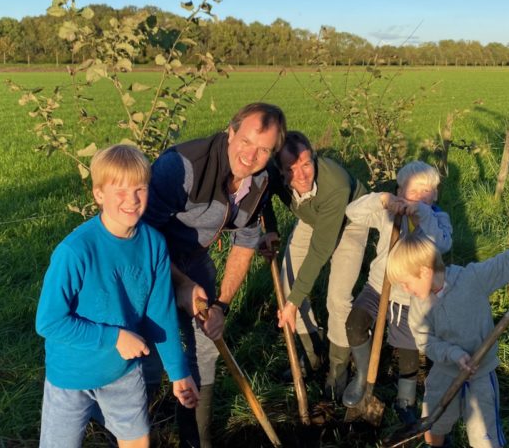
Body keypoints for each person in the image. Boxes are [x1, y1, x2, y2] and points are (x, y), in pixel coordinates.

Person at [142, 103, 286, 447]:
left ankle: (197, 438)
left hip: (194, 259)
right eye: (246, 141)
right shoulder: (182, 167)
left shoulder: (260, 180)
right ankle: (135, 430)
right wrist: (179, 284)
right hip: (146, 262)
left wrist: (220, 304)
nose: (251, 156)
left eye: (264, 149)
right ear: (230, 132)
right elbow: (142, 235)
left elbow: (246, 240)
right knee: (147, 349)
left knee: (205, 347)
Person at [36, 144, 198, 448]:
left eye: (140, 189)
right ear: (99, 194)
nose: (132, 200)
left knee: (137, 442)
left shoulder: (154, 244)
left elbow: (160, 313)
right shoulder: (75, 251)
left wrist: (178, 372)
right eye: (119, 191)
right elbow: (49, 322)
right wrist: (114, 338)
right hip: (71, 375)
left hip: (123, 373)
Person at [386, 234, 509, 448]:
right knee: (433, 427)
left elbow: (505, 263)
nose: (405, 290)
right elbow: (424, 340)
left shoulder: (471, 279)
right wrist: (453, 354)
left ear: (425, 272)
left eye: (406, 284)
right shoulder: (418, 303)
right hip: (444, 374)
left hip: (480, 375)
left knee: (484, 438)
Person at [261, 131, 370, 401]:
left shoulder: (336, 186)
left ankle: (338, 367)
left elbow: (321, 249)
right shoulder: (271, 173)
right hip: (312, 219)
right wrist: (272, 230)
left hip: (350, 219)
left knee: (337, 298)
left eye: (307, 164)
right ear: (279, 169)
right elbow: (261, 197)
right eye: (292, 169)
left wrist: (295, 301)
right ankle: (312, 355)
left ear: (314, 158)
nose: (302, 175)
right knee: (288, 288)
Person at [342, 161, 452, 424]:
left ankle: (406, 399)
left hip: (408, 295)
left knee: (408, 348)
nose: (419, 196)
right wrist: (381, 200)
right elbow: (352, 212)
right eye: (413, 191)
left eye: (426, 191)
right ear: (400, 190)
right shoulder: (388, 213)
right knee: (354, 324)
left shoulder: (437, 218)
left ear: (435, 194)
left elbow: (443, 245)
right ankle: (362, 378)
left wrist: (422, 214)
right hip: (378, 285)